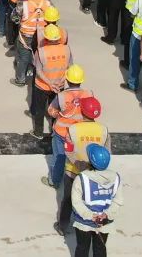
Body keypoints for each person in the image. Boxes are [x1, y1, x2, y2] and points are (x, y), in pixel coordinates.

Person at [53, 97, 108, 235]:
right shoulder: (103, 130)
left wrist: (79, 165)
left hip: (72, 172)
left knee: (68, 200)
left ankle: (62, 226)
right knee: (89, 201)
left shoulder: (73, 129)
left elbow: (68, 150)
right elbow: (107, 152)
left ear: (82, 111)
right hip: (93, 174)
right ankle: (88, 225)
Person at [71, 144, 123, 257]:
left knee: (82, 248)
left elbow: (76, 202)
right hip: (104, 223)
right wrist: (107, 214)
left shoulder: (81, 178)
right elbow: (118, 200)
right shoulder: (116, 177)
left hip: (84, 223)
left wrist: (90, 215)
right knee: (100, 249)